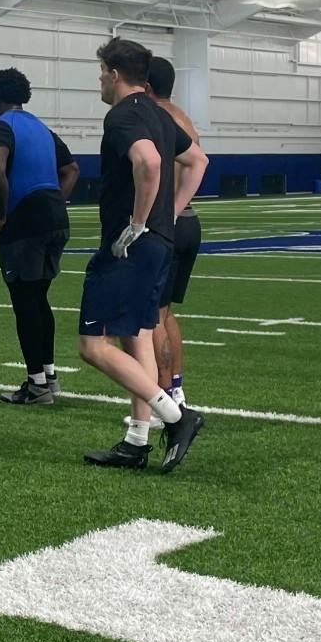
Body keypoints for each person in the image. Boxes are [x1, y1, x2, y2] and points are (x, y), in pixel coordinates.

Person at [79, 37, 207, 474]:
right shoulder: (158, 113)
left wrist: (138, 221)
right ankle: (137, 439)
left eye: (101, 72)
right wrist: (167, 214)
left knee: (93, 345)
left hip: (130, 246)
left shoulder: (123, 116)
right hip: (160, 244)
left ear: (114, 74)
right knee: (138, 335)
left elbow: (149, 163)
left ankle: (177, 418)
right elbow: (198, 162)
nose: (99, 80)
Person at [0, 68, 80, 405]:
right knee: (39, 300)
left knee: (25, 304)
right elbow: (71, 170)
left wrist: (3, 213)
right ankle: (48, 377)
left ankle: (36, 385)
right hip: (55, 219)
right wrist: (54, 198)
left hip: (26, 224)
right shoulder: (42, 128)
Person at [145, 56, 209, 407]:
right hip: (188, 220)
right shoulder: (184, 118)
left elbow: (151, 168)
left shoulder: (154, 119)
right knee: (165, 312)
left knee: (151, 315)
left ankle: (165, 398)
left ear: (147, 85)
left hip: (164, 223)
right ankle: (177, 389)